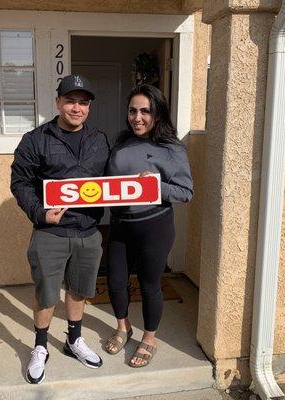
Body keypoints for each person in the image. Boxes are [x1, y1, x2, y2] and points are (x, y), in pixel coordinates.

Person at [10, 74, 110, 384]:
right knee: (47, 293)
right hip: (50, 233)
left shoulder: (99, 140)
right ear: (58, 103)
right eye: (70, 100)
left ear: (88, 107)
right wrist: (40, 213)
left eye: (82, 102)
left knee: (79, 290)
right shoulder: (36, 139)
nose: (76, 107)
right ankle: (40, 346)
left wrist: (140, 179)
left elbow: (113, 179)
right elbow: (20, 182)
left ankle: (73, 340)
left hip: (89, 231)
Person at [104, 84, 193, 367]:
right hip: (119, 224)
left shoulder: (172, 148)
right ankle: (123, 327)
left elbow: (185, 191)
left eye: (145, 111)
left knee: (150, 283)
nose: (137, 117)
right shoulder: (121, 141)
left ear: (157, 114)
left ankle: (149, 337)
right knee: (116, 281)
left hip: (154, 227)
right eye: (132, 111)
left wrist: (155, 186)